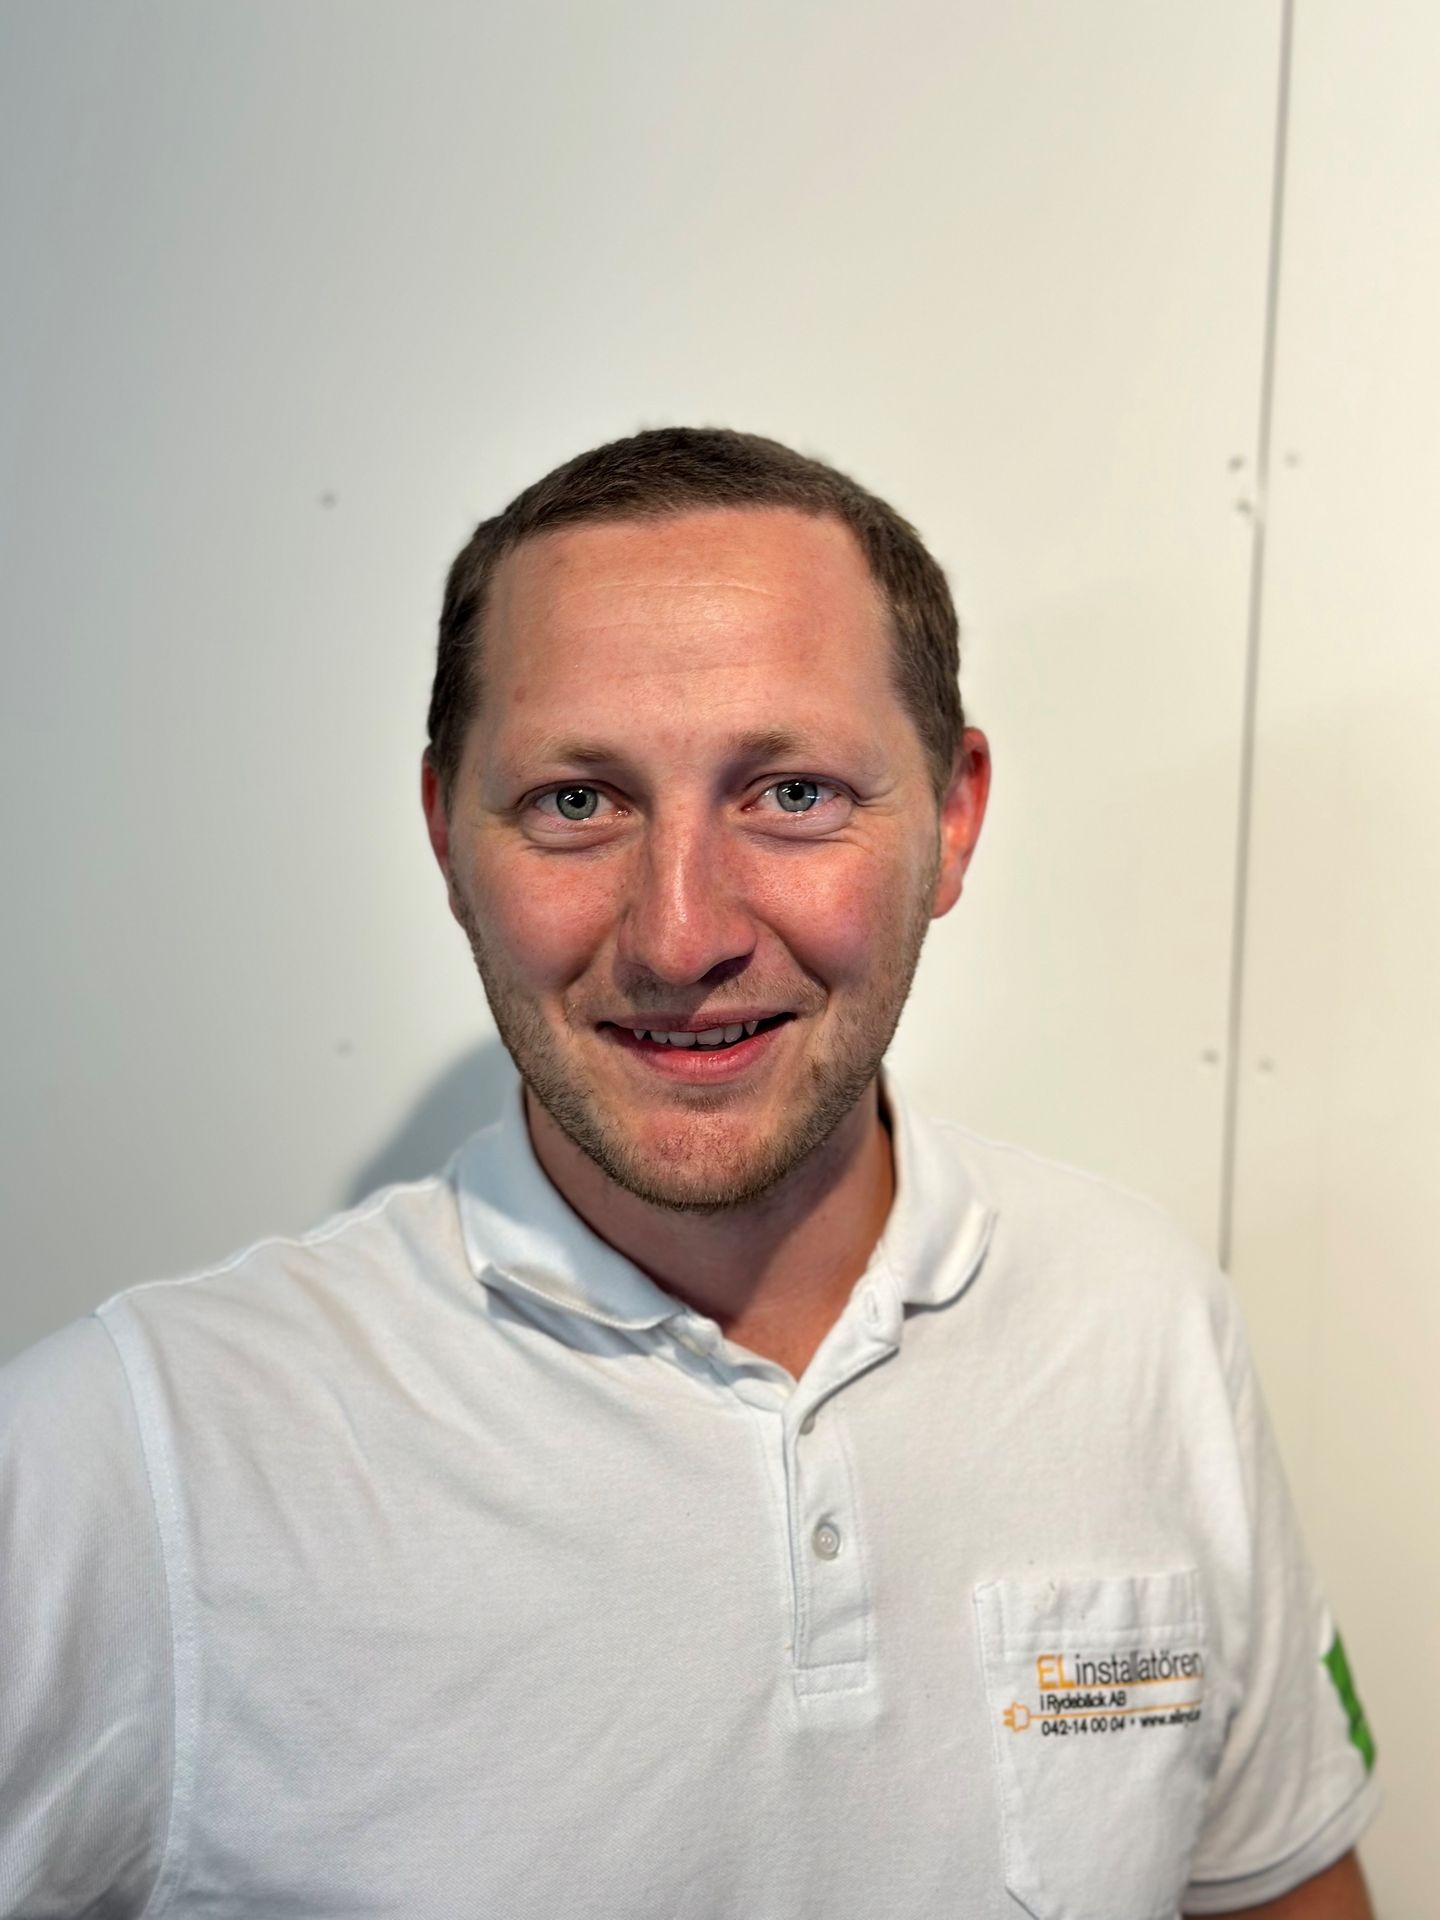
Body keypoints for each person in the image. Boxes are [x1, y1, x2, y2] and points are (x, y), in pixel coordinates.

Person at [1, 427, 1379, 1917]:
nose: (678, 936)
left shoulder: (1143, 1317)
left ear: (955, 817)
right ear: (445, 837)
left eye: (790, 794)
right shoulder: (131, 1456)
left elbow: (1282, 1888)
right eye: (576, 803)